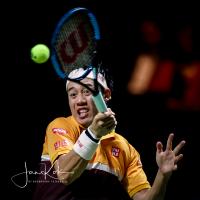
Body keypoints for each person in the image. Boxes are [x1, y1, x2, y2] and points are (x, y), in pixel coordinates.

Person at [33, 67, 186, 200]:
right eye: (73, 94)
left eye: (87, 91)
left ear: (106, 95)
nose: (79, 100)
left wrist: (162, 175)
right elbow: (65, 175)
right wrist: (93, 134)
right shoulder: (61, 126)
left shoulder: (125, 149)